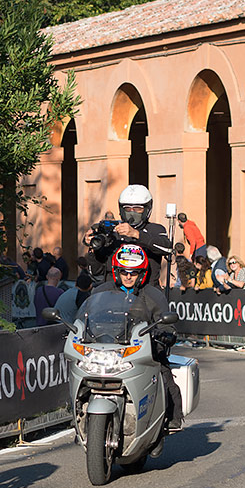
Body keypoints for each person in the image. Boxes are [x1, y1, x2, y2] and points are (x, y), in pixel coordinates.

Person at [85, 244, 183, 431]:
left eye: (134, 272)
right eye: (124, 272)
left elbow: (167, 324)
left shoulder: (153, 295)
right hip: (107, 350)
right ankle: (76, 416)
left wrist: (164, 336)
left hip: (141, 350)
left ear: (142, 273)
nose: (129, 276)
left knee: (163, 374)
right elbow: (86, 317)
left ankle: (170, 417)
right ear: (116, 271)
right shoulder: (101, 292)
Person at [83, 184, 173, 282]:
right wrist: (94, 249)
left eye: (138, 209)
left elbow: (167, 248)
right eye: (127, 209)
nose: (132, 212)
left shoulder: (155, 229)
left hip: (146, 291)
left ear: (147, 209)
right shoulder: (114, 232)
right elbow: (96, 272)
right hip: (114, 292)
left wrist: (136, 234)